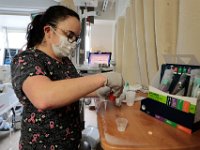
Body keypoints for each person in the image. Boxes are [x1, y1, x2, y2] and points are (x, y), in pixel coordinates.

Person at [11, 5, 124, 150]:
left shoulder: (65, 61)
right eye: (69, 35)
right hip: (42, 145)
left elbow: (72, 89)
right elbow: (44, 97)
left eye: (76, 38)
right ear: (48, 31)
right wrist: (103, 78)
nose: (73, 42)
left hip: (69, 141)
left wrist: (98, 91)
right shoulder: (27, 59)